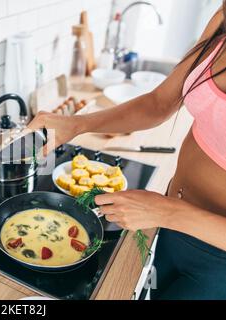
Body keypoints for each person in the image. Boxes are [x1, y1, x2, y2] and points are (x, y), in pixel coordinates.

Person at [28, 6, 226, 299]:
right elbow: (159, 102)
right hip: (171, 227)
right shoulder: (222, 18)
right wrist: (78, 124)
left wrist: (167, 211)